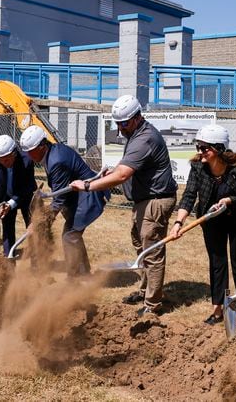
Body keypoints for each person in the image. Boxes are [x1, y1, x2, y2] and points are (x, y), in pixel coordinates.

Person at [70, 94, 177, 317]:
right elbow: (125, 165)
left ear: (137, 117)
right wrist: (113, 169)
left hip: (156, 200)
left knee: (152, 250)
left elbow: (122, 176)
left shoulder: (144, 138)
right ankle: (146, 289)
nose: (120, 128)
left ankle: (152, 304)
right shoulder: (135, 134)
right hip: (143, 200)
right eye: (117, 124)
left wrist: (88, 186)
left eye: (124, 123)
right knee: (141, 246)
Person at [171, 124, 236, 327]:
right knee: (217, 263)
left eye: (205, 148)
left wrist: (229, 200)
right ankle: (218, 307)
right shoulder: (198, 167)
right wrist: (177, 222)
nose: (200, 152)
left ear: (219, 149)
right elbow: (189, 195)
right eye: (198, 147)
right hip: (211, 220)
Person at [20, 125, 109, 276]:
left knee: (70, 236)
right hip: (77, 198)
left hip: (88, 198)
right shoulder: (52, 152)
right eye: (26, 151)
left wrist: (39, 223)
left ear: (42, 145)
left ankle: (75, 278)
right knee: (73, 235)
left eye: (31, 150)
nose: (28, 155)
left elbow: (59, 199)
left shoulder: (56, 161)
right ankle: (83, 272)